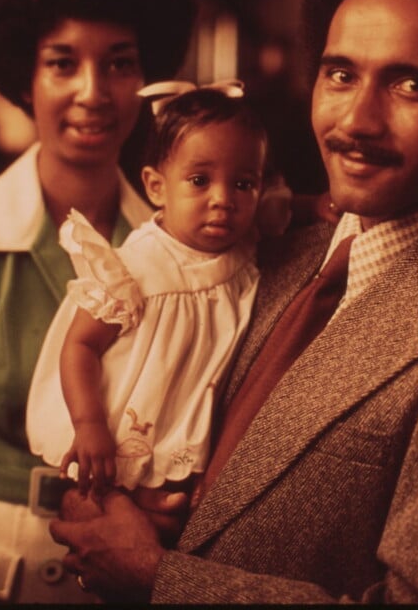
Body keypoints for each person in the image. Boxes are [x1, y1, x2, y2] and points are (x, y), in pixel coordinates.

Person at [49, 0, 418, 604]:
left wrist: (158, 578)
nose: (356, 120)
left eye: (410, 84)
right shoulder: (264, 249)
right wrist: (111, 511)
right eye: (340, 74)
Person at [0, 0, 196, 604]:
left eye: (118, 64)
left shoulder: (180, 254)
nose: (92, 93)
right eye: (63, 63)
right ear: (23, 77)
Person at [26, 85, 267, 508]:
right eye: (199, 180)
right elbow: (79, 346)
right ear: (157, 187)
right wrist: (88, 423)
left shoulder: (244, 245)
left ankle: (157, 502)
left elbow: (283, 207)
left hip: (186, 404)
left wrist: (316, 204)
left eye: (244, 183)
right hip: (120, 410)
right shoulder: (134, 270)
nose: (223, 200)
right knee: (116, 464)